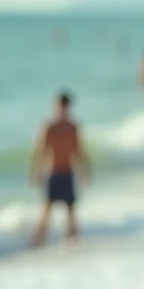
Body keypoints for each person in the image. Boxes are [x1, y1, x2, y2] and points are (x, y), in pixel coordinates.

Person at [29, 91, 91, 246]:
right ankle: (37, 242)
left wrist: (84, 173)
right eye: (60, 106)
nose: (62, 109)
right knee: (46, 210)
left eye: (64, 106)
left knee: (71, 211)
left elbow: (79, 152)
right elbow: (40, 151)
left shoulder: (73, 128)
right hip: (53, 173)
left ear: (68, 107)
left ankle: (73, 244)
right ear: (55, 106)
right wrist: (36, 172)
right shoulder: (49, 127)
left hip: (68, 173)